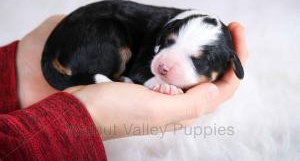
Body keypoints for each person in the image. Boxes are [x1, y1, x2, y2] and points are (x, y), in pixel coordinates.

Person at [0, 15, 248, 160]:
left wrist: (16, 66)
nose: (164, 65)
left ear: (230, 64)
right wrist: (86, 116)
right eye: (168, 44)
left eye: (195, 60)